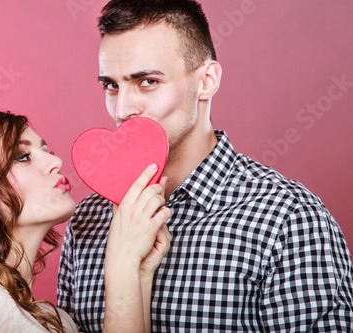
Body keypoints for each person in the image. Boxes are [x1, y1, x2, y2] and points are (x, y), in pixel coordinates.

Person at [57, 0, 353, 331]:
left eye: (147, 81)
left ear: (207, 80)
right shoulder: (87, 220)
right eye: (111, 85)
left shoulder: (287, 220)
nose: (123, 109)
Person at [0, 109, 172, 333]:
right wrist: (121, 263)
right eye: (22, 157)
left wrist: (140, 275)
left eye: (46, 150)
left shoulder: (56, 321)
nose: (56, 161)